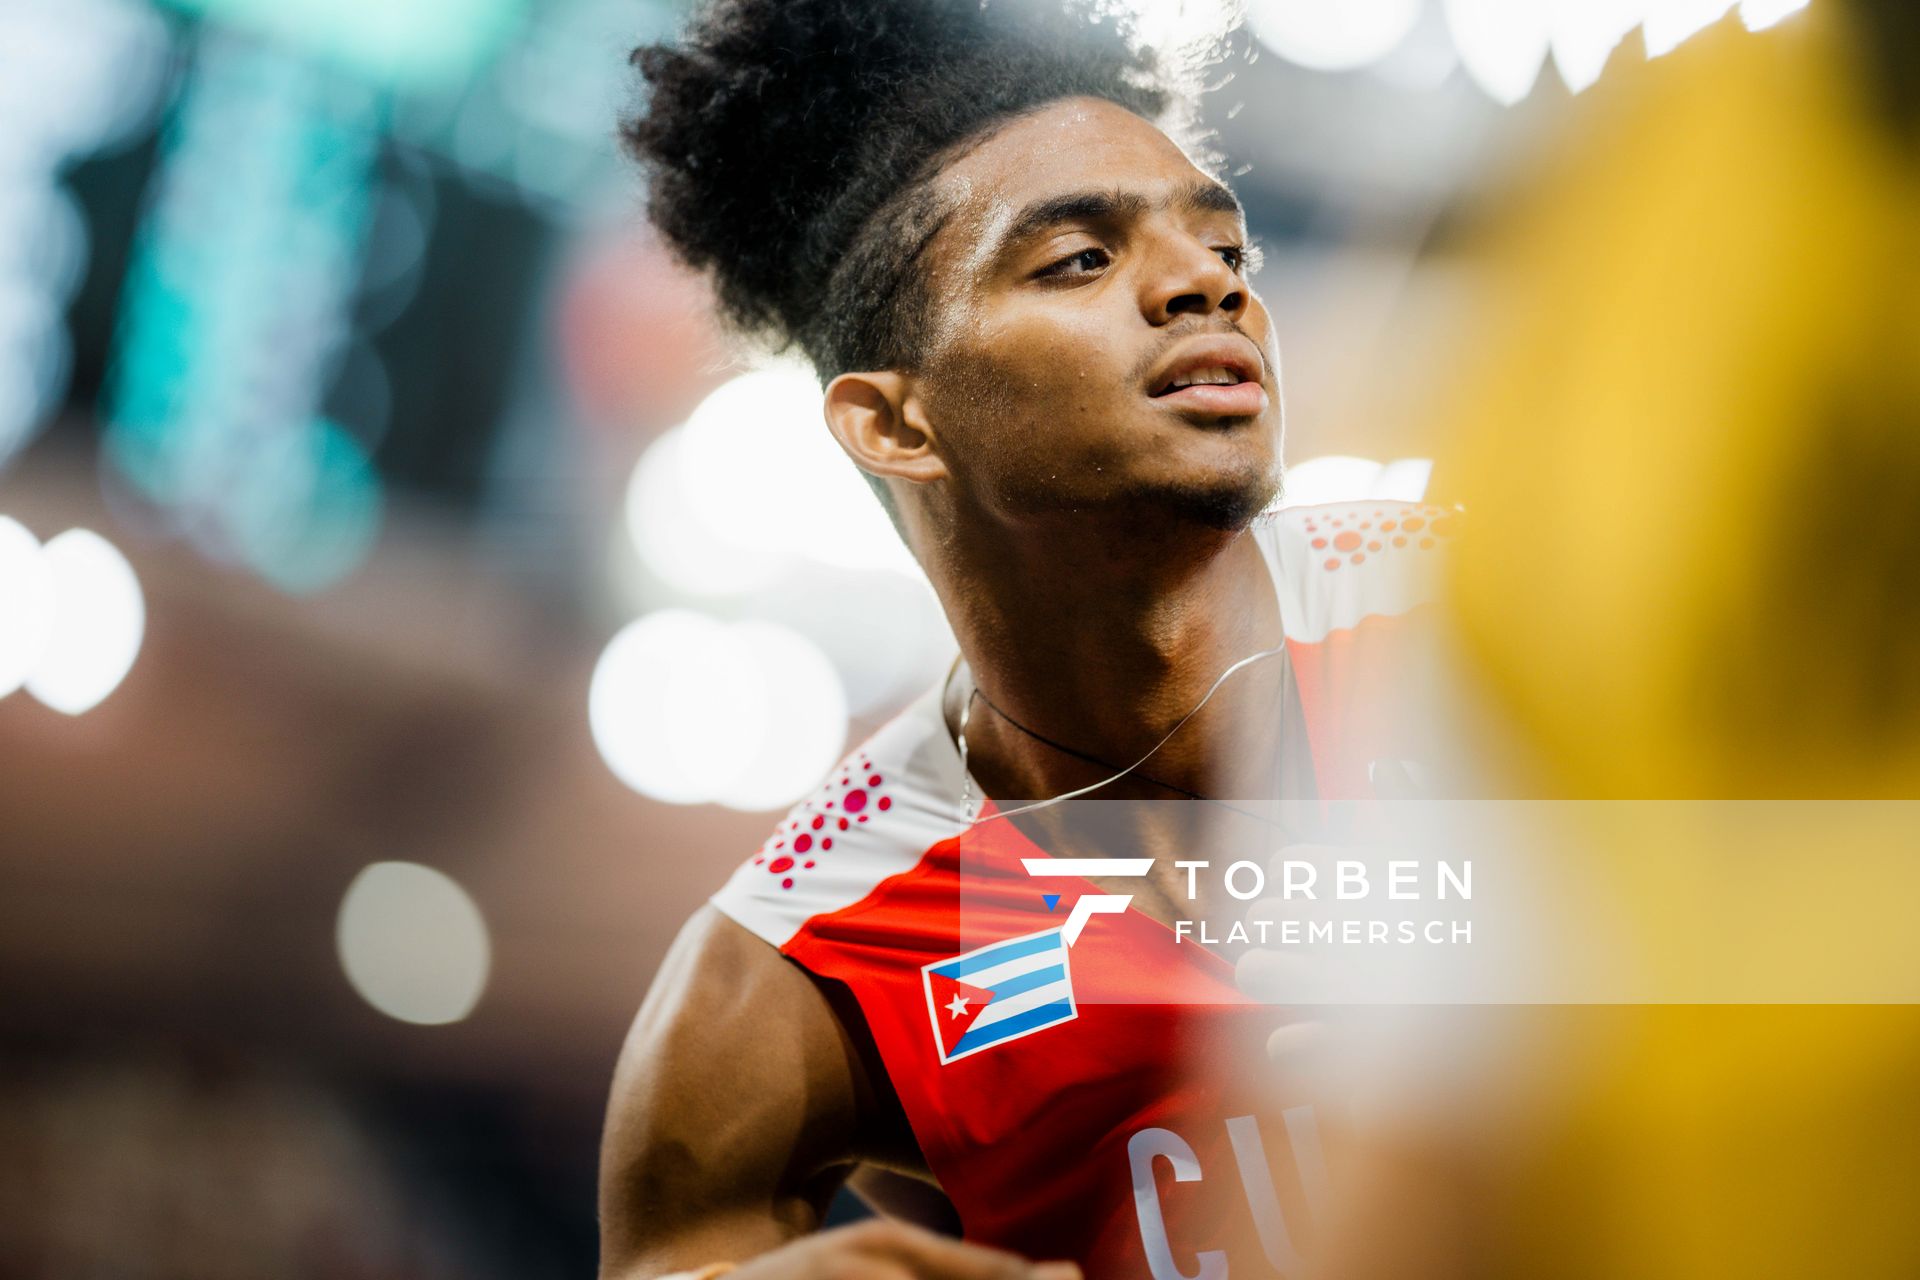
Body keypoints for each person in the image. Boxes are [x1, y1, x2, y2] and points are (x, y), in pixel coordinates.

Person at [597, 1, 1450, 1275]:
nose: (1206, 281)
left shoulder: (1483, 616)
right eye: (1080, 262)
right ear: (896, 423)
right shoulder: (799, 963)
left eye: (1225, 244)